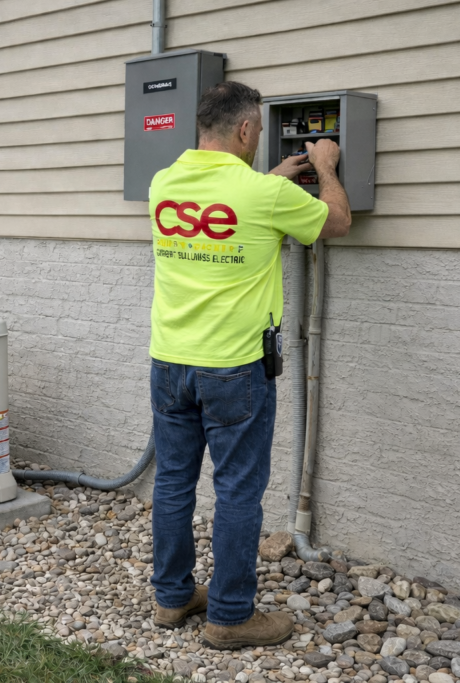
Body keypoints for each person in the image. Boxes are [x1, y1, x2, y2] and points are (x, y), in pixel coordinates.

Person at [146, 81, 351, 649]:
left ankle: (172, 599)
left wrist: (272, 182)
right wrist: (326, 166)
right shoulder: (262, 195)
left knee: (173, 483)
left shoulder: (164, 182)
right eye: (258, 130)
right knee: (237, 490)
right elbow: (336, 221)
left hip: (169, 362)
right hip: (233, 369)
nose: (259, 138)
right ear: (244, 130)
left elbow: (229, 206)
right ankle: (231, 617)